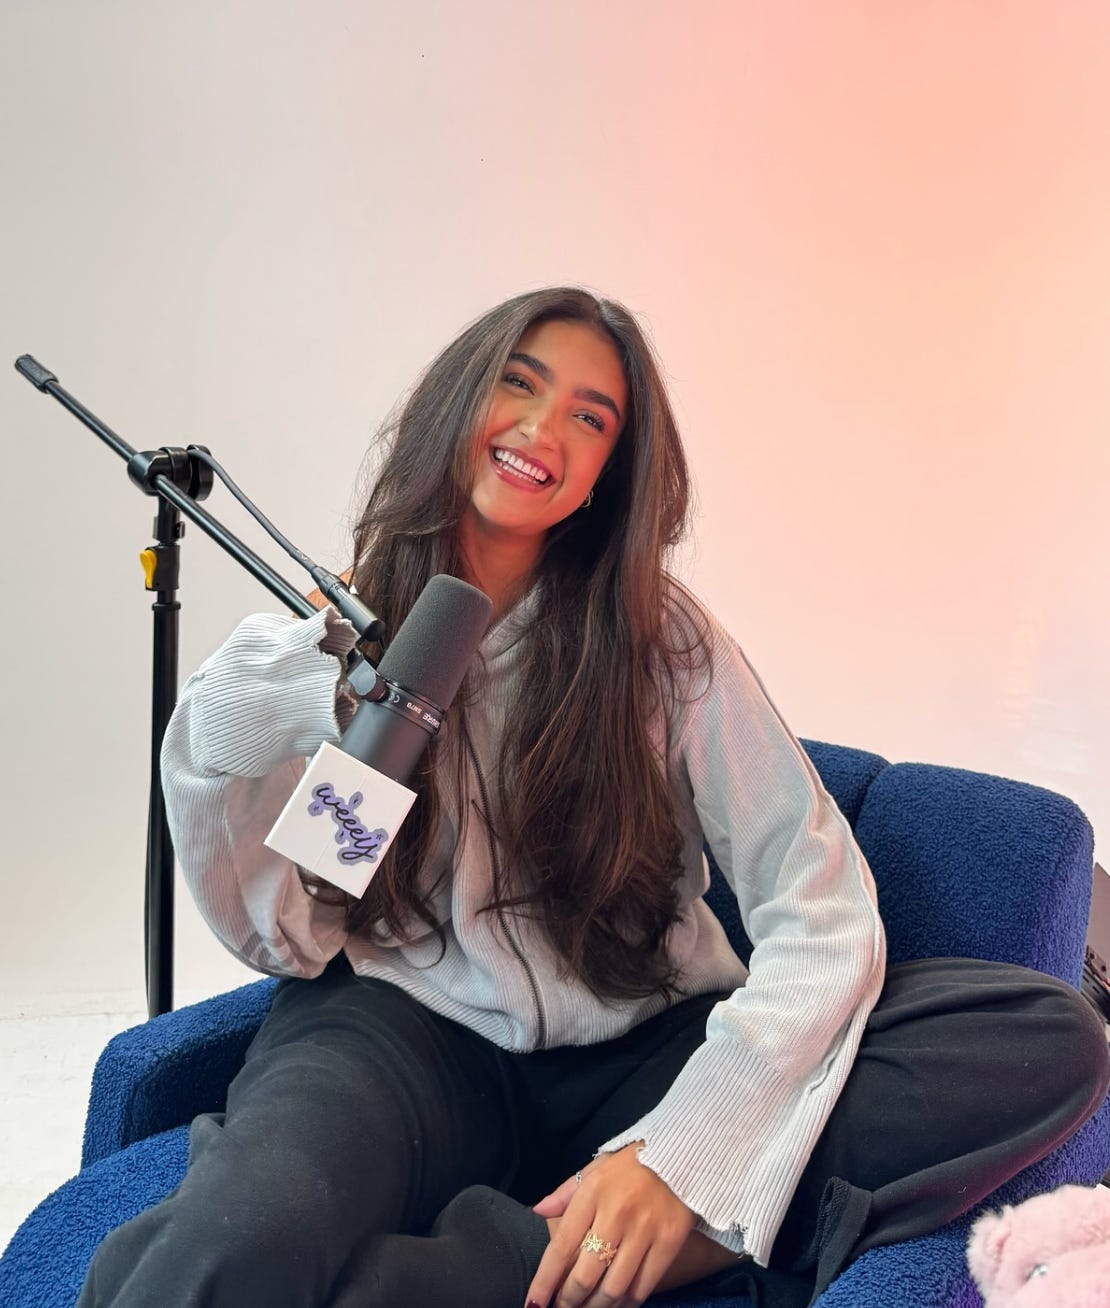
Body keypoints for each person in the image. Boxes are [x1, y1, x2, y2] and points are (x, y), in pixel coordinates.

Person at [79, 288, 1109, 1308]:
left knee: (1044, 1030)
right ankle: (639, 1256)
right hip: (401, 1035)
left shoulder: (660, 640)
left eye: (589, 416)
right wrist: (282, 711)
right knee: (234, 1232)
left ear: (607, 475)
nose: (542, 429)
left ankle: (518, 1259)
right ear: (458, 405)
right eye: (518, 386)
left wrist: (681, 1155)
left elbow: (816, 896)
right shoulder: (358, 639)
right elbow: (311, 926)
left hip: (647, 1049)